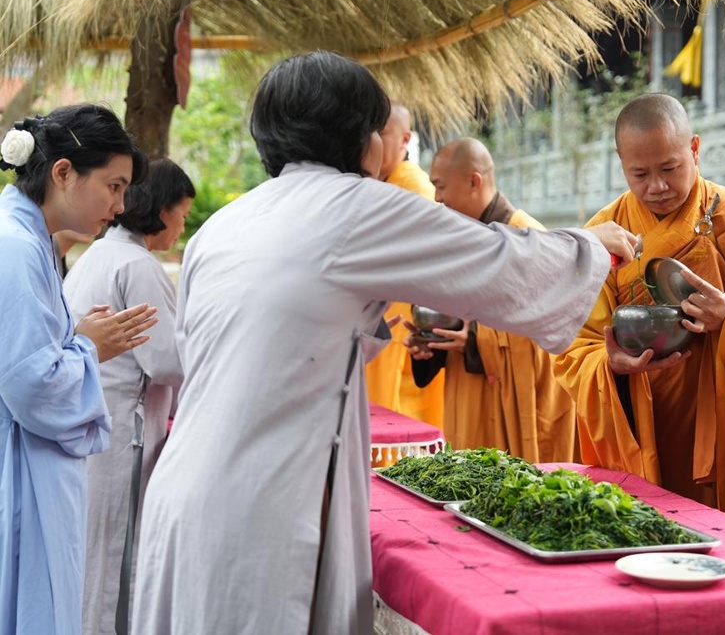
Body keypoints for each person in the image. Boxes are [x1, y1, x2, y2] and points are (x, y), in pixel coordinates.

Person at [131, 51, 637, 635]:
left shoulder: (226, 223)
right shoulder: (354, 207)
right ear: (359, 138)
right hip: (260, 505)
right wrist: (590, 246)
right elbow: (495, 258)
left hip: (182, 491)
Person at [553, 93, 725, 544]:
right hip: (645, 429)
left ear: (695, 149)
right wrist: (609, 364)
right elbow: (572, 347)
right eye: (640, 174)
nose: (657, 186)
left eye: (670, 168)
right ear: (621, 163)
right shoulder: (605, 233)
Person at [0, 104, 157, 635]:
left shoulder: (31, 240)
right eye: (113, 186)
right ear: (63, 172)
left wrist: (76, 339)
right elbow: (30, 384)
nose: (120, 205)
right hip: (19, 469)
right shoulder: (15, 246)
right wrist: (90, 348)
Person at [63, 158, 194, 635]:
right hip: (123, 432)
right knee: (115, 556)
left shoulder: (99, 253)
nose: (182, 227)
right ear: (160, 209)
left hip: (92, 423)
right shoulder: (138, 266)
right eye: (182, 214)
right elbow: (167, 363)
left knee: (93, 552)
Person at [405, 137, 578, 463]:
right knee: (467, 484)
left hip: (520, 406)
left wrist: (474, 339)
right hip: (468, 399)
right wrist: (432, 343)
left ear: (474, 181)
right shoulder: (457, 243)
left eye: (440, 187)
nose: (437, 198)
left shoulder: (529, 238)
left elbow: (556, 335)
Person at [365, 101, 445, 430]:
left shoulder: (415, 188)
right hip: (378, 321)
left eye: (382, 132)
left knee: (401, 422)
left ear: (405, 139)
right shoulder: (378, 185)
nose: (372, 140)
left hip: (404, 326)